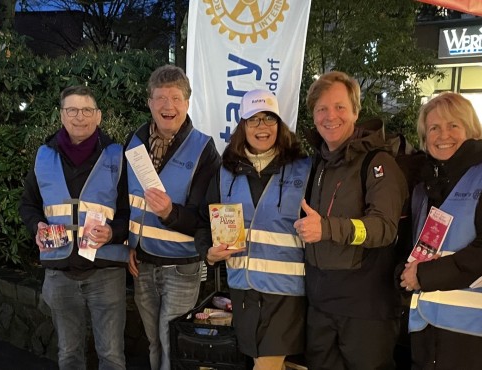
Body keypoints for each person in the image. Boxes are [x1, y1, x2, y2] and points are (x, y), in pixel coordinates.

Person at [294, 71, 408, 370]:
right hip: (321, 305)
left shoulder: (378, 162)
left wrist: (327, 228)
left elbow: (384, 229)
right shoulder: (319, 162)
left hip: (365, 310)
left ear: (356, 111)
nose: (331, 116)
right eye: (322, 109)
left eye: (340, 107)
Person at [195, 89, 310, 370]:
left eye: (268, 119)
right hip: (243, 291)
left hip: (287, 294)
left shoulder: (303, 169)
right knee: (264, 362)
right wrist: (209, 253)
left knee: (266, 365)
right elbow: (202, 224)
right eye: (253, 120)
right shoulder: (225, 174)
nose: (262, 127)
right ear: (242, 127)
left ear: (280, 125)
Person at [19, 85, 130, 370]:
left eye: (86, 110)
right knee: (68, 356)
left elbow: (132, 211)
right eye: (72, 110)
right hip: (60, 271)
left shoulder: (118, 156)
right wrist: (37, 226)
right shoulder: (44, 156)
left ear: (98, 116)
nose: (79, 117)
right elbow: (28, 205)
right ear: (62, 115)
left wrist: (114, 233)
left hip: (106, 272)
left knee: (112, 356)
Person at [398, 92, 482, 370]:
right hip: (426, 324)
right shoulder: (425, 186)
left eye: (453, 126)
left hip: (471, 332)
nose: (442, 135)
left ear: (471, 130)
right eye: (433, 128)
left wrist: (426, 275)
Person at [125, 65, 221, 370]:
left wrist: (170, 214)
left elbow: (206, 218)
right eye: (161, 98)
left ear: (187, 102)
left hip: (181, 267)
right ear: (149, 103)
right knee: (154, 341)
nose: (169, 106)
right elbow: (126, 201)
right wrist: (129, 244)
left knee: (173, 343)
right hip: (142, 262)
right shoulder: (134, 141)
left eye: (176, 98)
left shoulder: (204, 149)